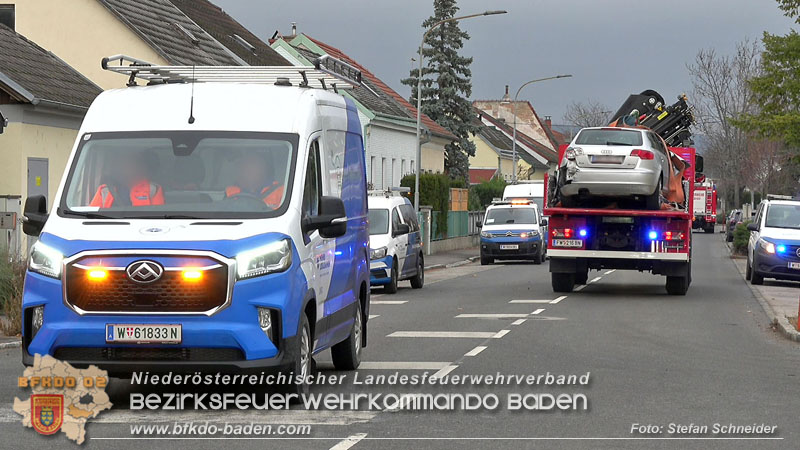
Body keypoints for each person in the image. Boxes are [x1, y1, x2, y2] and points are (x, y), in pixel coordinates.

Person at [90, 152, 164, 208]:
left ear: (139, 167)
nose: (127, 168)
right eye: (124, 165)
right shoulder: (104, 190)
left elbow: (159, 218)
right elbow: (92, 216)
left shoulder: (153, 189)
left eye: (131, 164)